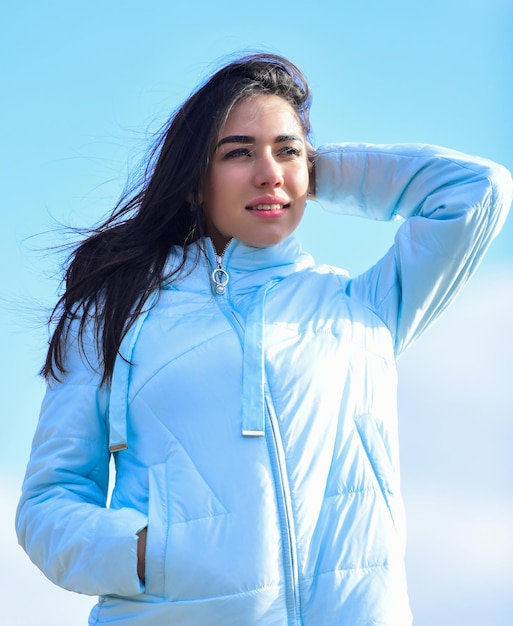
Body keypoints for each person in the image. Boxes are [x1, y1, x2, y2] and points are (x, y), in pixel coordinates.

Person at [16, 52, 512, 626]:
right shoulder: (116, 311)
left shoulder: (362, 307)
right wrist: (151, 553)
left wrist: (313, 171)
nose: (268, 172)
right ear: (193, 180)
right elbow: (48, 504)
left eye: (286, 150)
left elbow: (478, 192)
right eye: (238, 153)